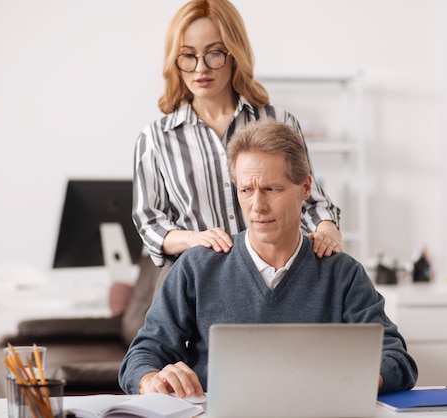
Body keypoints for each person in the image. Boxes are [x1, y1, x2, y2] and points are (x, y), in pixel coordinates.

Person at [119, 119, 418, 397]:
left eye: (271, 189)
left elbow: (396, 359)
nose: (257, 206)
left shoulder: (342, 273)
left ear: (304, 188)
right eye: (246, 190)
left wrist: (351, 383)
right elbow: (142, 355)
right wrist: (151, 379)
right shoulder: (197, 267)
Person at [132, 0, 341, 282]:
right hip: (196, 281)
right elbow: (150, 224)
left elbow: (311, 200)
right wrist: (193, 239)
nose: (200, 68)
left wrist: (327, 229)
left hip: (274, 278)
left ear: (234, 53)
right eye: (188, 56)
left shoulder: (278, 122)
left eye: (214, 53)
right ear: (175, 61)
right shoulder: (156, 138)